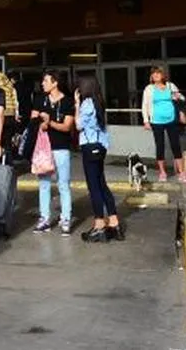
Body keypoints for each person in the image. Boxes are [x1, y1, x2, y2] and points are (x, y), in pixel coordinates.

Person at [74, 76, 123, 242]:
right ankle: (114, 222)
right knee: (102, 183)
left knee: (93, 186)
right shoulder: (99, 102)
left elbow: (79, 125)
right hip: (101, 145)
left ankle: (99, 224)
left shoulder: (86, 103)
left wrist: (76, 105)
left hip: (90, 145)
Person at [30, 69, 75, 235]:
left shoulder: (68, 101)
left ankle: (66, 218)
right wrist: (38, 123)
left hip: (61, 147)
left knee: (63, 184)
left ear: (55, 82)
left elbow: (67, 126)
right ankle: (44, 218)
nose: (43, 83)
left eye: (46, 81)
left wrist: (50, 123)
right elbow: (33, 120)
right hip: (43, 149)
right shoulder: (39, 99)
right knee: (44, 184)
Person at [141, 66, 186, 182]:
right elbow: (145, 105)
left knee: (175, 145)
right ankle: (162, 172)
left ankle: (181, 172)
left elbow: (182, 98)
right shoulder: (149, 88)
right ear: (151, 76)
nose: (156, 75)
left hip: (171, 119)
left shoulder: (170, 86)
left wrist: (179, 97)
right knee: (160, 145)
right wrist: (146, 121)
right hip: (156, 121)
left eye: (158, 73)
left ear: (163, 75)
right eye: (154, 74)